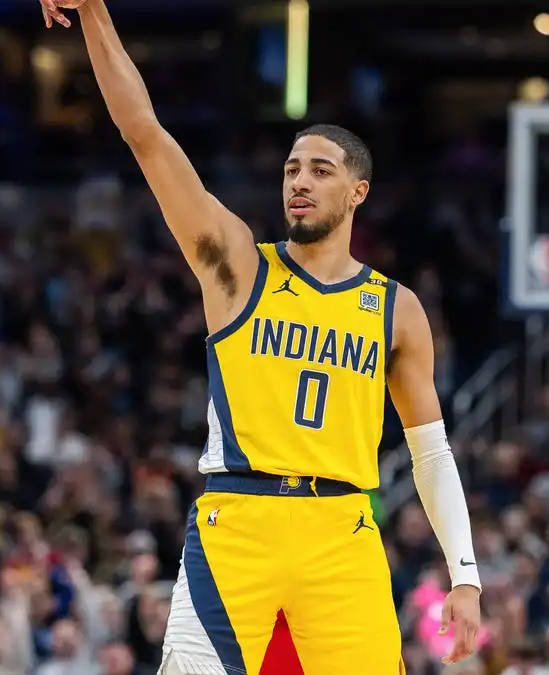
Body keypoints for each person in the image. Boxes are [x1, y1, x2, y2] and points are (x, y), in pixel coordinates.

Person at [38, 2, 482, 672]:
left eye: (320, 170)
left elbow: (430, 455)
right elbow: (146, 135)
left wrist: (466, 573)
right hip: (236, 520)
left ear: (358, 191)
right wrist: (96, 10)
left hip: (343, 530)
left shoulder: (397, 308)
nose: (300, 180)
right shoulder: (238, 264)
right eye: (292, 169)